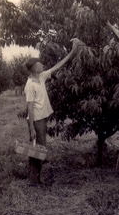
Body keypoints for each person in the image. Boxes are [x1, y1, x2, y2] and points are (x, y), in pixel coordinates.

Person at [23, 38, 84, 184]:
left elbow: (58, 66)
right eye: (39, 64)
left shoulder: (41, 77)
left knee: (38, 148)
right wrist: (32, 128)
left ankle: (34, 178)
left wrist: (72, 53)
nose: (42, 65)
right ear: (34, 68)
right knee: (39, 149)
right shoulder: (30, 85)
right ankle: (34, 179)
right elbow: (30, 107)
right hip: (36, 120)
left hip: (42, 118)